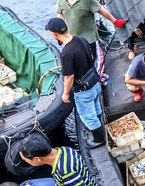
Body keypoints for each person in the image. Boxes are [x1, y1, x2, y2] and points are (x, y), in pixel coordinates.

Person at [45, 18, 105, 148]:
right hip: (94, 81)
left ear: (55, 34)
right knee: (96, 107)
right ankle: (99, 127)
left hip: (84, 90)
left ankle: (99, 139)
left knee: (88, 115)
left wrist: (65, 93)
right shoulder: (81, 39)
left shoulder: (66, 53)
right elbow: (92, 57)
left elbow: (69, 77)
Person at [49, 0, 126, 61]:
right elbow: (60, 15)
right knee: (76, 61)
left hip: (89, 39)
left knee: (90, 61)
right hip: (71, 38)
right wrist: (59, 32)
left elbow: (101, 11)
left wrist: (115, 22)